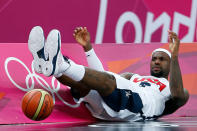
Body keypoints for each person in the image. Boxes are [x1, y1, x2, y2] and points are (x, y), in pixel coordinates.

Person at [28, 26, 189, 121]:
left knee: (110, 80)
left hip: (137, 108)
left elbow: (177, 94)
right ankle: (46, 64)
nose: (157, 62)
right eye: (154, 59)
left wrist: (174, 56)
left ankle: (61, 63)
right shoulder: (134, 77)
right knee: (85, 84)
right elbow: (101, 76)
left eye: (162, 59)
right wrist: (88, 49)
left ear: (170, 64)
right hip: (102, 111)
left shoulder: (173, 89)